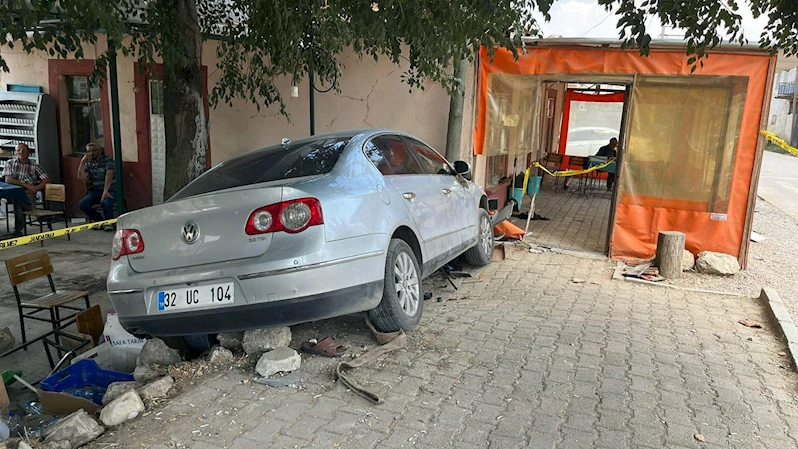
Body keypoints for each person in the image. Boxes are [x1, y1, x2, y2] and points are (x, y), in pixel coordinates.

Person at [4, 143, 50, 236]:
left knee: (20, 202)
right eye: (18, 150)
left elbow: (47, 180)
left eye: (23, 150)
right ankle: (36, 213)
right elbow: (8, 179)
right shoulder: (10, 163)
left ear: (28, 152)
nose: (21, 152)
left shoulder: (34, 165)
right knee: (20, 199)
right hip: (13, 192)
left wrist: (35, 188)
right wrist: (26, 185)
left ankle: (18, 230)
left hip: (28, 192)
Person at [77, 143, 116, 230]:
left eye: (94, 150)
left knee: (105, 202)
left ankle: (109, 222)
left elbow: (109, 174)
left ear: (99, 151)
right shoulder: (89, 163)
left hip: (111, 189)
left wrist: (105, 191)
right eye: (89, 151)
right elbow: (81, 176)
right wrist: (82, 163)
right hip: (97, 190)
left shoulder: (108, 160)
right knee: (82, 204)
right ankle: (99, 220)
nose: (91, 153)